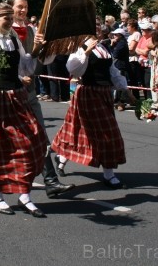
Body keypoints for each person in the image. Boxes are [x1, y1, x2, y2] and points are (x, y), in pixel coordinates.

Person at [0, 3, 49, 217]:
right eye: (5, 18)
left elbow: (25, 64)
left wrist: (36, 47)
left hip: (17, 96)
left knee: (32, 141)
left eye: (10, 17)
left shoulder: (13, 39)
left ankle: (24, 194)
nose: (9, 21)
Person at [8, 0, 75, 199]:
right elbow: (4, 65)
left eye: (25, 7)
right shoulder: (4, 33)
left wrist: (47, 46)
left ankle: (51, 181)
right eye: (19, 7)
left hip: (29, 93)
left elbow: (43, 61)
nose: (23, 10)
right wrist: (19, 76)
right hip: (10, 94)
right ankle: (7, 184)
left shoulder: (31, 30)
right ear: (11, 9)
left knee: (41, 136)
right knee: (13, 142)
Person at [52, 22, 134, 190]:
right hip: (88, 93)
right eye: (93, 27)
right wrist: (86, 53)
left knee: (95, 133)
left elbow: (113, 72)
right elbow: (73, 69)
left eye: (98, 26)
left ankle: (64, 160)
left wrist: (127, 91)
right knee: (95, 132)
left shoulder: (105, 48)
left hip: (104, 94)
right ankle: (107, 175)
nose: (97, 29)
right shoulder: (80, 47)